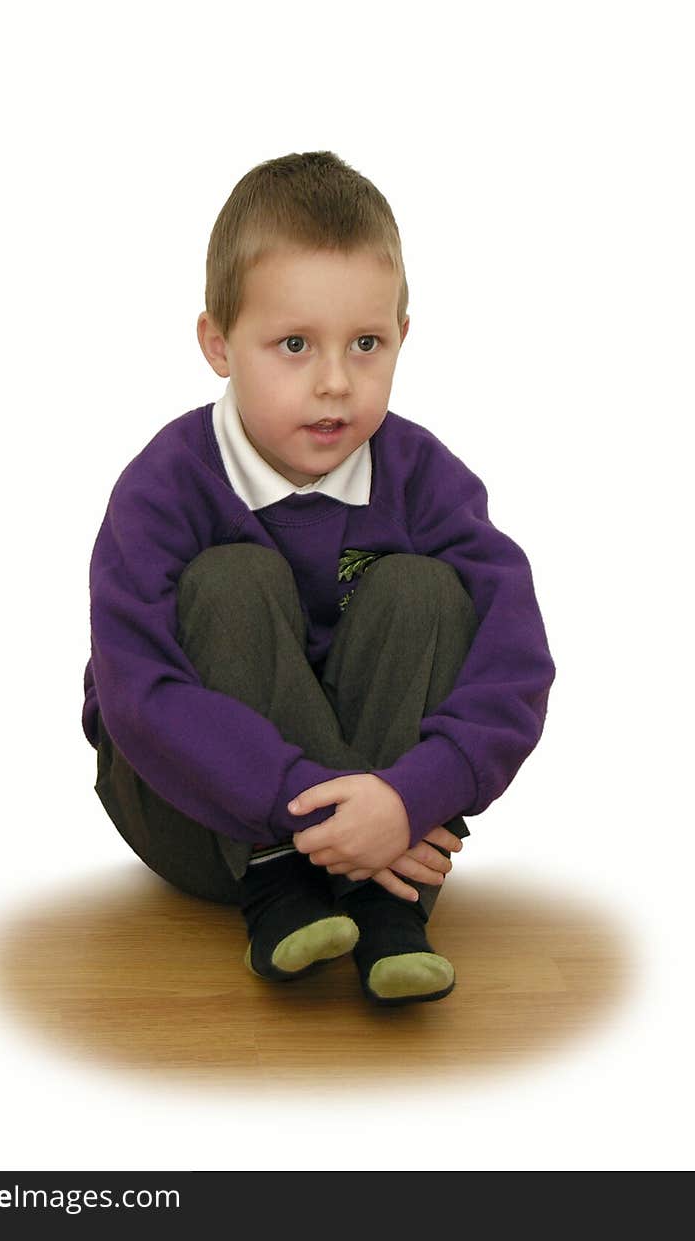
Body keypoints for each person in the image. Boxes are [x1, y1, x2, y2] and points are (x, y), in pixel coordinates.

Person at [82, 150, 556, 1007]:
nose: (335, 380)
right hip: (194, 814)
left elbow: (516, 659)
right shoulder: (164, 484)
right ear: (219, 344)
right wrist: (323, 805)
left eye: (365, 343)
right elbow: (136, 692)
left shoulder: (422, 477)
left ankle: (384, 909)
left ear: (402, 338)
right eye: (294, 344)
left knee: (426, 590)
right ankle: (286, 880)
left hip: (389, 821)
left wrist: (413, 795)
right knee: (229, 581)